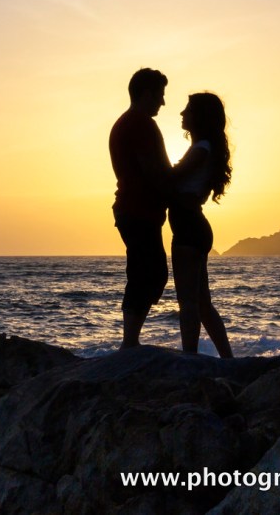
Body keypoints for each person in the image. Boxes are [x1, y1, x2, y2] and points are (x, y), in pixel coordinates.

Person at [109, 68, 171, 349]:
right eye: (160, 95)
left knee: (149, 272)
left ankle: (131, 340)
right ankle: (130, 342)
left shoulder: (128, 123)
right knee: (146, 273)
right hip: (137, 211)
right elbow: (153, 170)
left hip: (136, 210)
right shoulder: (140, 124)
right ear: (146, 94)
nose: (163, 102)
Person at [169, 92, 234, 357]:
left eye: (188, 109)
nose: (182, 113)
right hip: (194, 227)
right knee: (202, 304)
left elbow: (172, 179)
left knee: (188, 302)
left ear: (200, 116)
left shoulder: (201, 149)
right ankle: (228, 359)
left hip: (188, 228)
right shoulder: (204, 147)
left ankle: (189, 359)